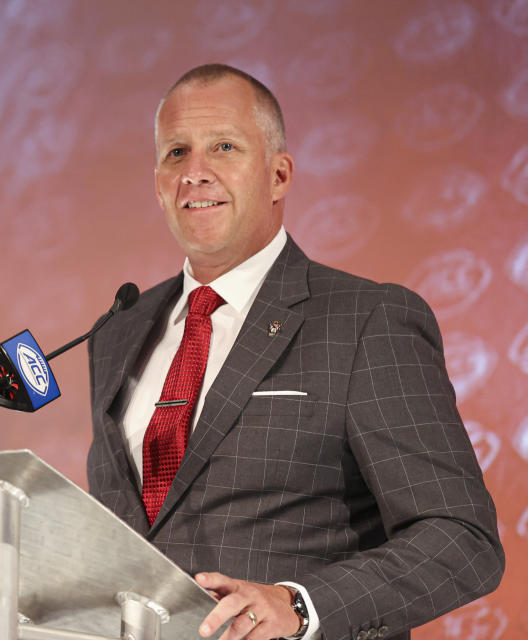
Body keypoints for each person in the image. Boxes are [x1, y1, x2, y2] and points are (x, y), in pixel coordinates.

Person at [86, 64, 504, 640]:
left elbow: (462, 538)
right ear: (157, 180)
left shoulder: (366, 319)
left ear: (279, 175)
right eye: (176, 153)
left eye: (224, 147)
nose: (195, 173)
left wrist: (300, 606)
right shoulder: (117, 331)